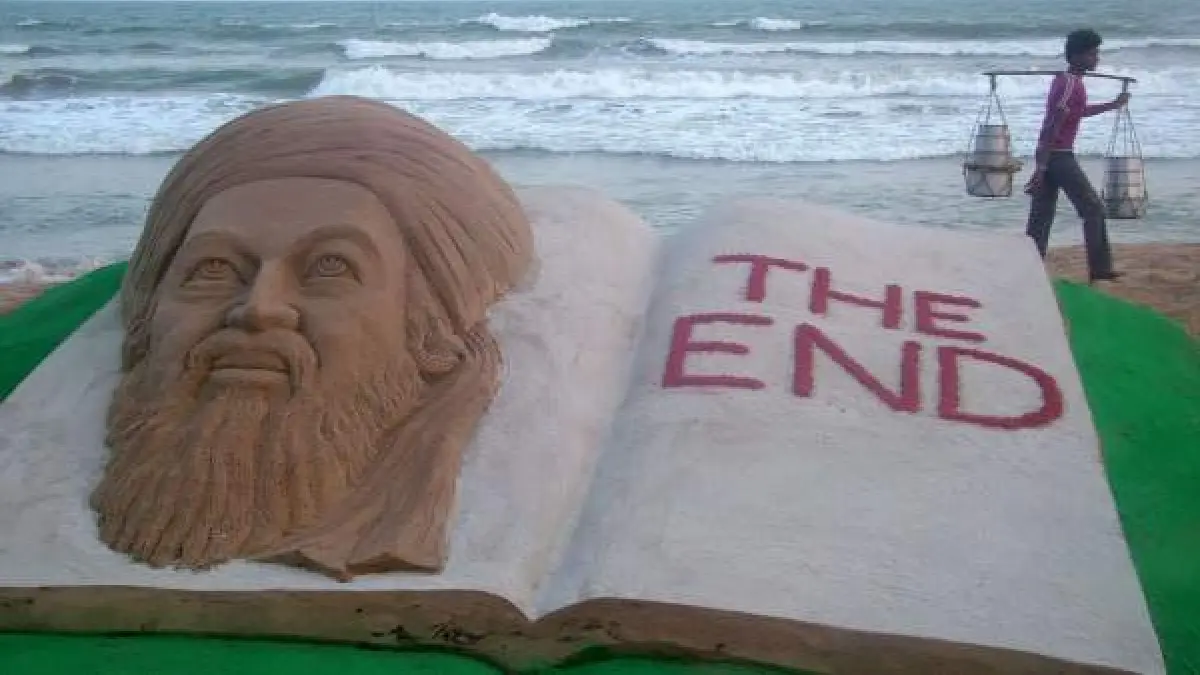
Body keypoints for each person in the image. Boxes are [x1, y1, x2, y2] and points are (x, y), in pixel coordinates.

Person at [1023, 28, 1130, 282]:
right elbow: (1054, 122)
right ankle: (1100, 269)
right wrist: (1042, 167)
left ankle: (1028, 265)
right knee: (1093, 209)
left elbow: (1076, 112)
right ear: (1076, 56)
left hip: (1050, 154)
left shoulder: (1069, 82)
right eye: (1092, 54)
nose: (1097, 59)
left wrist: (1113, 105)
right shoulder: (1070, 83)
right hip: (1058, 156)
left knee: (1041, 215)